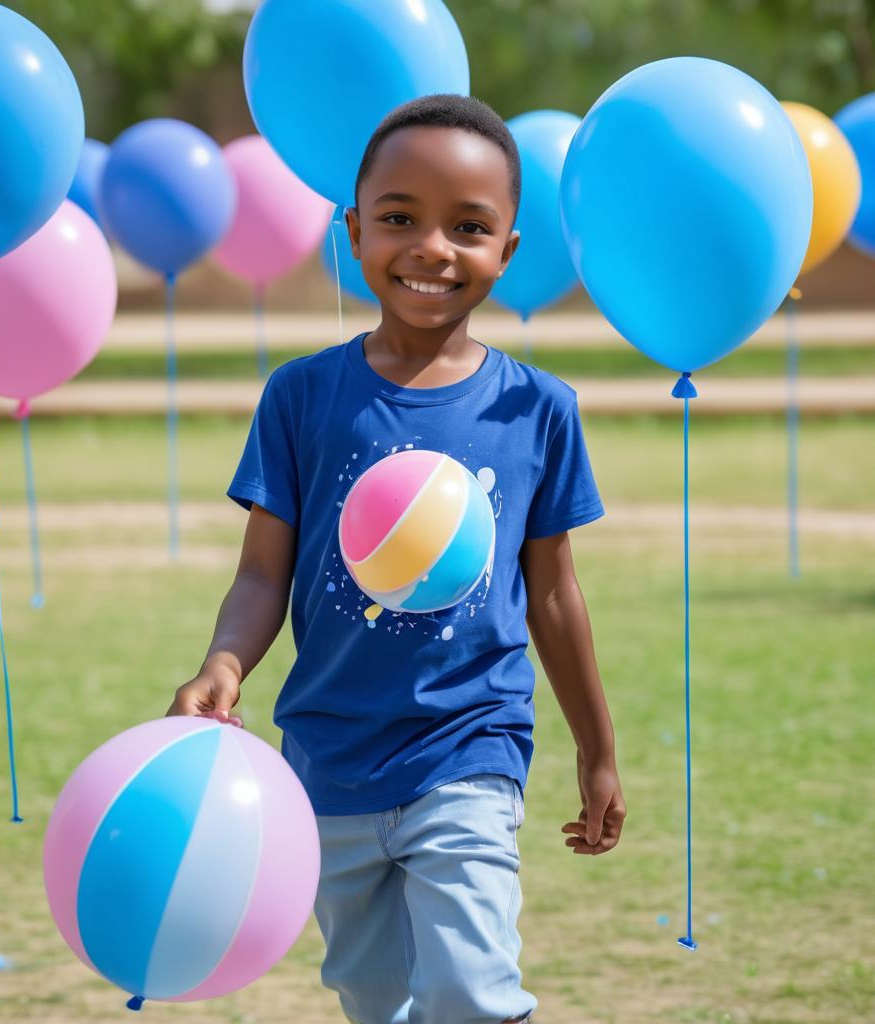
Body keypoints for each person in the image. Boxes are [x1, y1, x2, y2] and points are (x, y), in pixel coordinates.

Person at [169, 94, 626, 1024]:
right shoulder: (300, 397)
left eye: (469, 227)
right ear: (354, 232)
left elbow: (554, 597)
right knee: (374, 1001)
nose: (432, 248)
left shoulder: (538, 411)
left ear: (508, 250)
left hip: (469, 745)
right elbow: (263, 572)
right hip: (328, 758)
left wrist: (597, 748)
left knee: (470, 988)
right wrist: (223, 663)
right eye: (400, 219)